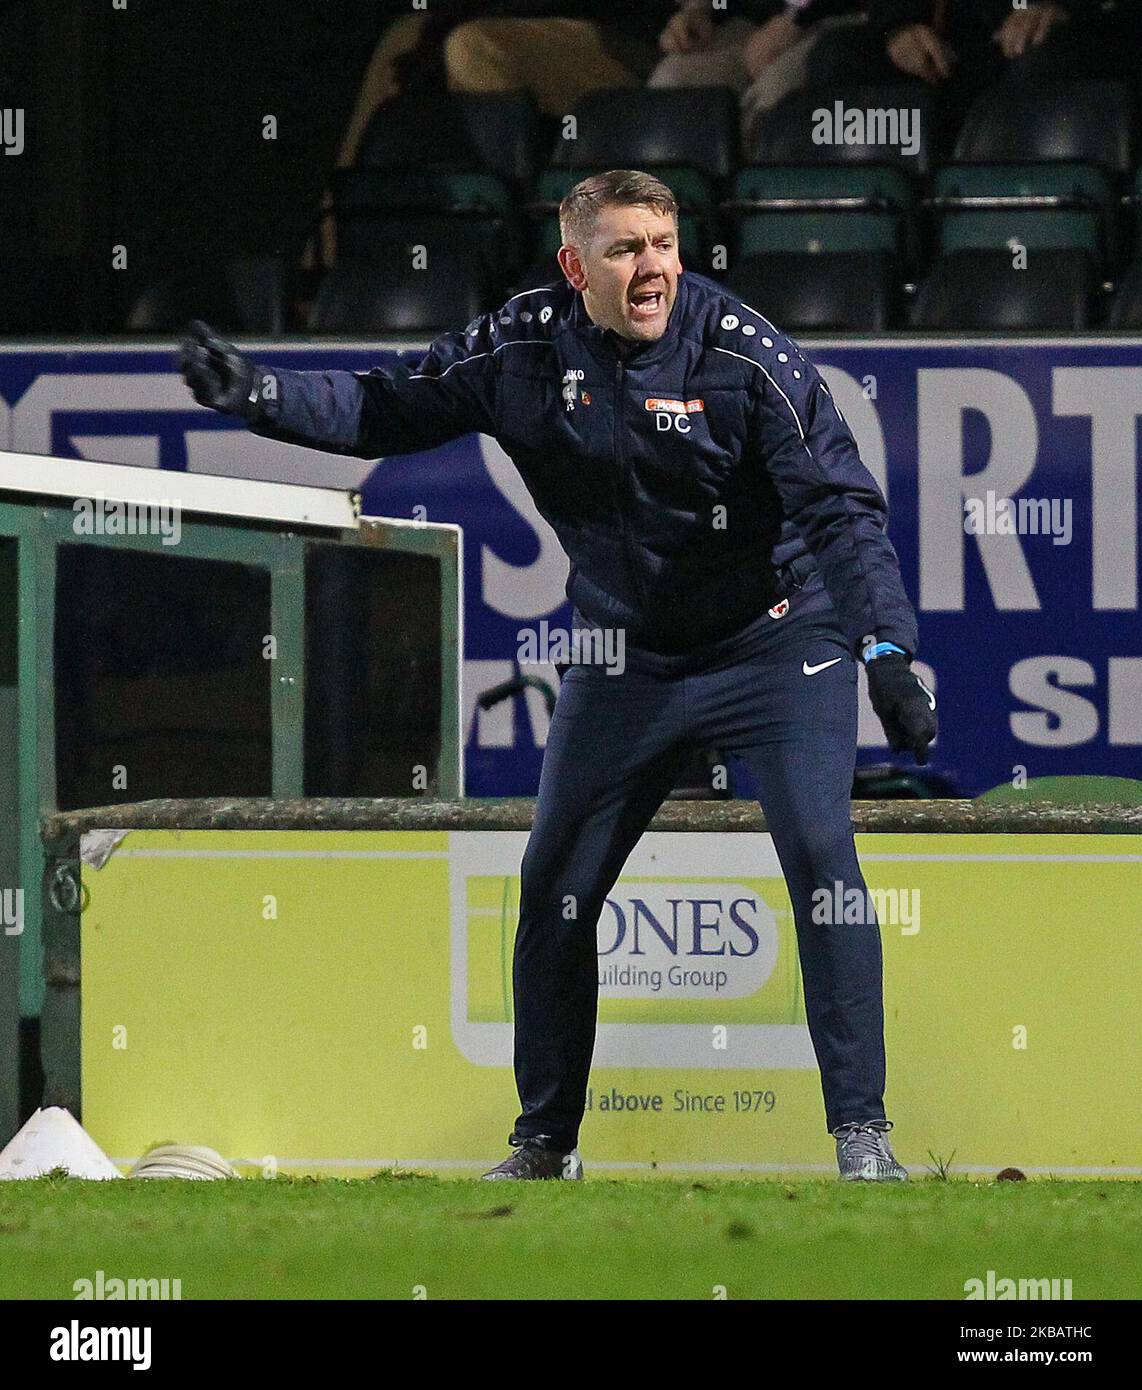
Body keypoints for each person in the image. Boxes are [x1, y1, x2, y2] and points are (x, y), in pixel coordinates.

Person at [179, 169, 937, 1182]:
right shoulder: (519, 345)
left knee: (818, 853)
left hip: (773, 642)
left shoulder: (746, 357)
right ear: (574, 265)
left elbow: (842, 510)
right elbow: (383, 405)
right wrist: (258, 395)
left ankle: (861, 1136)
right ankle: (544, 1143)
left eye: (664, 245)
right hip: (622, 654)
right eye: (626, 249)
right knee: (552, 886)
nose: (653, 267)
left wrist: (885, 649)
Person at [651, 0, 867, 148]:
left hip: (834, 19)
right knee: (672, 83)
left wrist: (795, 16)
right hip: (747, 22)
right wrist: (698, 9)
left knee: (771, 98)